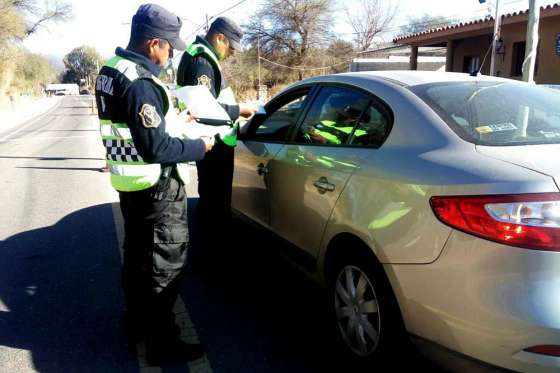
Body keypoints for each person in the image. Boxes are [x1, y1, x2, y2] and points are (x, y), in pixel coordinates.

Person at [95, 4, 214, 365]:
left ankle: (137, 326)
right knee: (164, 267)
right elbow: (155, 146)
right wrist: (200, 146)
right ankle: (163, 344)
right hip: (157, 189)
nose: (172, 54)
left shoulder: (110, 71)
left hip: (130, 185)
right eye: (169, 47)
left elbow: (136, 127)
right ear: (153, 44)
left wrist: (175, 116)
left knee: (136, 261)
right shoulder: (141, 82)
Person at [176, 17, 255, 263]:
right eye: (231, 48)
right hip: (213, 142)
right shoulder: (202, 61)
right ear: (219, 38)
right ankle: (211, 260)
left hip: (211, 140)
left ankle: (208, 254)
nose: (231, 54)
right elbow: (205, 109)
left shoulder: (199, 56)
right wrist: (240, 109)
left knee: (211, 201)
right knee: (215, 205)